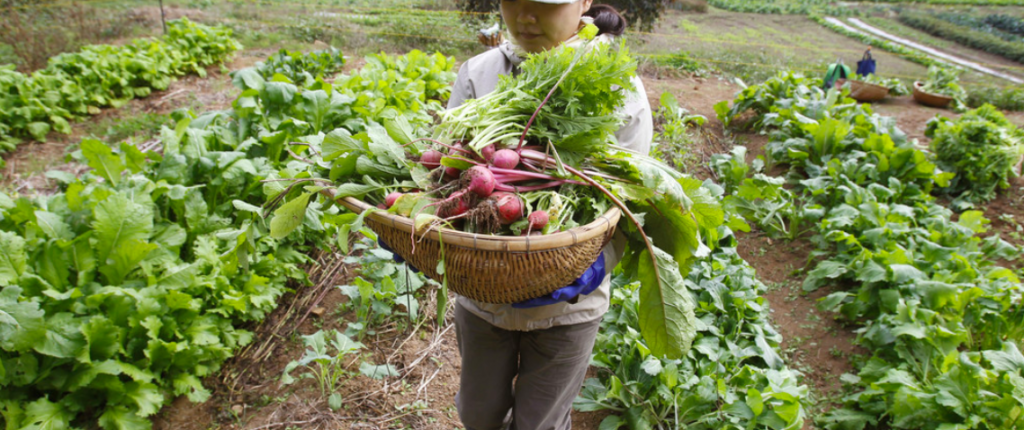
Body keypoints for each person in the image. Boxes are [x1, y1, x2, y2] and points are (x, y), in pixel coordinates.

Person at [446, 1, 653, 429]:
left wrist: (592, 266)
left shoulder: (622, 91)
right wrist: (429, 226)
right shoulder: (477, 72)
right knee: (477, 414)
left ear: (582, 3)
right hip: (482, 293)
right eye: (513, 3)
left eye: (542, 6)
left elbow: (625, 203)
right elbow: (450, 165)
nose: (524, 17)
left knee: (541, 423)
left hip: (571, 305)